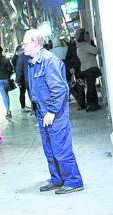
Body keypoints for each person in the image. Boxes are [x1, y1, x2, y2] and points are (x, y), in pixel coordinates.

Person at [22, 29, 84, 194]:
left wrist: (51, 111)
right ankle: (58, 179)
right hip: (42, 111)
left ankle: (73, 181)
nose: (23, 46)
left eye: (25, 43)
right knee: (49, 148)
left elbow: (59, 89)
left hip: (54, 112)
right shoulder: (33, 62)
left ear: (36, 42)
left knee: (61, 147)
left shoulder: (49, 60)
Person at [74, 28, 102, 111]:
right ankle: (91, 105)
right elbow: (96, 50)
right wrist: (91, 43)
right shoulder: (85, 45)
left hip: (85, 69)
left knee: (91, 87)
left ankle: (93, 104)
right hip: (89, 68)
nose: (88, 37)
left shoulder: (79, 45)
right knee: (91, 88)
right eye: (87, 35)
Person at [0, 46, 14, 119]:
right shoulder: (5, 59)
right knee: (6, 95)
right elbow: (11, 68)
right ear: (1, 51)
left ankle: (8, 111)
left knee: (4, 95)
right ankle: (8, 109)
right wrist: (8, 74)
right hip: (6, 79)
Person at [14, 45, 32, 112]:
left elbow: (18, 70)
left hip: (27, 80)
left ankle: (35, 111)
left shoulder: (21, 57)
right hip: (35, 79)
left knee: (31, 95)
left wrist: (17, 80)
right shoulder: (33, 53)